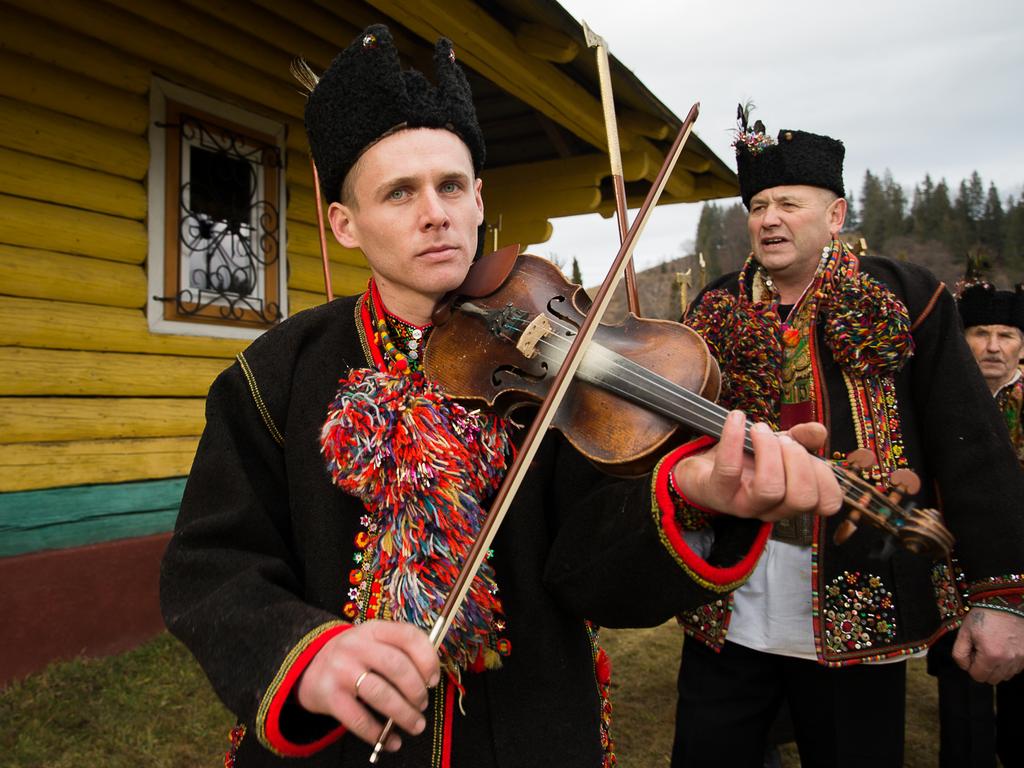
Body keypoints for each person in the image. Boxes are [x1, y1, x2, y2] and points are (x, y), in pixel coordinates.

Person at [160, 29, 842, 768]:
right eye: (399, 192)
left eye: (451, 186)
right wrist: (305, 651)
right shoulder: (277, 371)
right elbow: (212, 561)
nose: (436, 212)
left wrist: (694, 489)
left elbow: (593, 569)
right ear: (344, 224)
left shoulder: (562, 360)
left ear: (479, 197)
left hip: (533, 734)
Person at [672, 108, 1024, 768]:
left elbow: (971, 445)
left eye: (789, 204)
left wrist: (1001, 595)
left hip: (862, 592)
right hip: (731, 605)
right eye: (759, 206)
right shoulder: (715, 306)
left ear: (835, 216)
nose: (769, 219)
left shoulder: (905, 294)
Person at [926, 280, 1024, 768]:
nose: (992, 346)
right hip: (955, 571)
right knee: (962, 698)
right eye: (980, 332)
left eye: (1006, 335)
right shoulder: (934, 407)